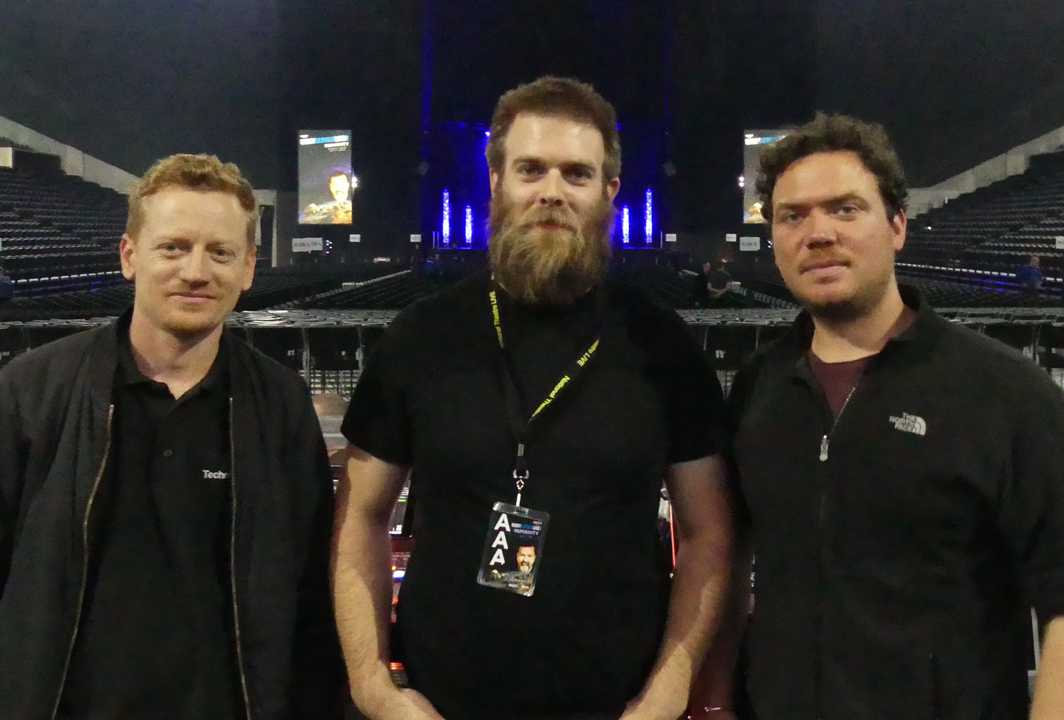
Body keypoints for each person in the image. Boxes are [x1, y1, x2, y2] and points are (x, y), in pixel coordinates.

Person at [332, 76, 739, 720]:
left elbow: (708, 532)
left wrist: (669, 690)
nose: (551, 191)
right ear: (496, 182)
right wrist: (373, 686)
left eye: (577, 174)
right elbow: (359, 517)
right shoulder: (419, 337)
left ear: (609, 193)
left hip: (616, 706)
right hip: (440, 707)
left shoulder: (664, 348)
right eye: (531, 169)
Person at [725, 113, 1064, 718]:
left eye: (845, 209)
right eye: (793, 215)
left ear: (897, 226)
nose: (818, 233)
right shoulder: (759, 389)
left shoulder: (1007, 393)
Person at [0, 153, 344, 719]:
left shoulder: (281, 404)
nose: (196, 271)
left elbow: (309, 593)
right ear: (129, 255)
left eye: (221, 252)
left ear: (249, 267)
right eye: (174, 247)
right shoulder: (30, 392)